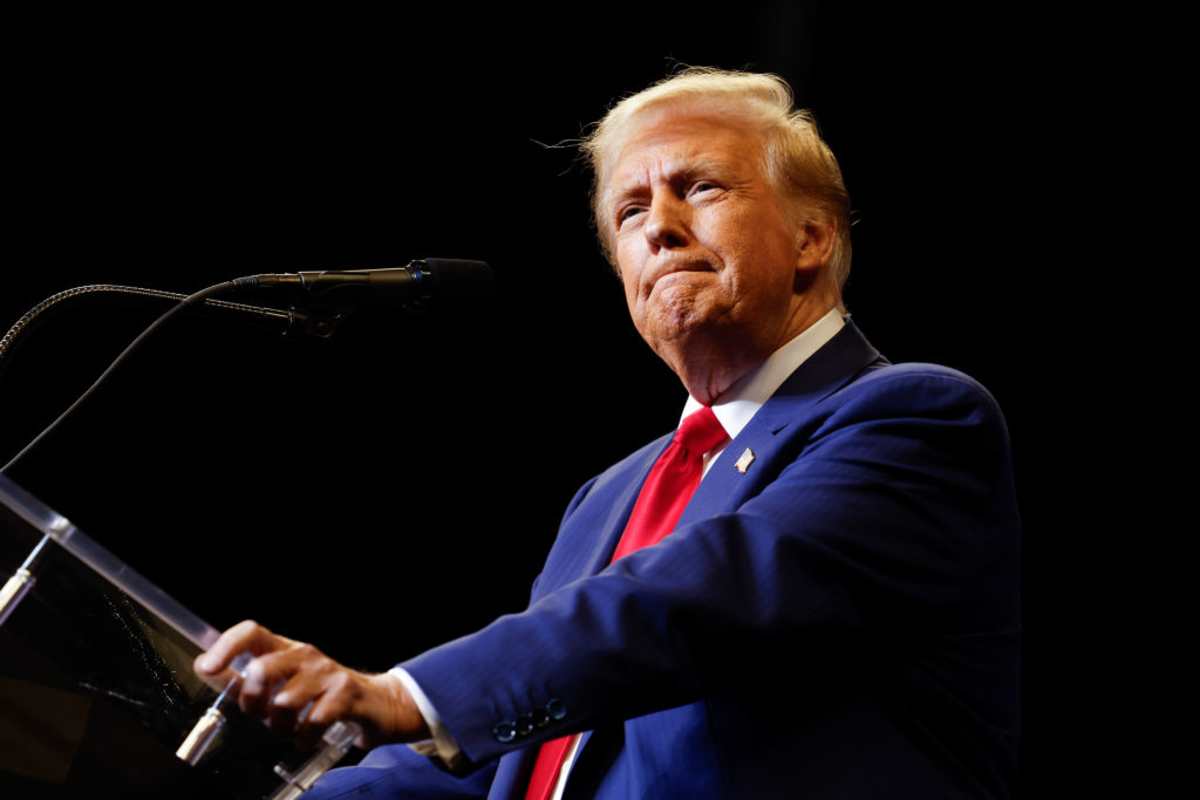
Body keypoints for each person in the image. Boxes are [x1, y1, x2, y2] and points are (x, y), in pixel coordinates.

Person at [196, 67, 1021, 798]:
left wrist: (406, 694)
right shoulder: (610, 495)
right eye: (631, 210)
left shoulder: (913, 418)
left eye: (700, 189)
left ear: (812, 236)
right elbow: (514, 750)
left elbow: (702, 595)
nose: (658, 227)